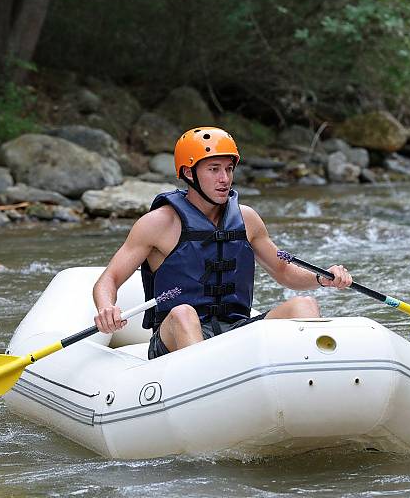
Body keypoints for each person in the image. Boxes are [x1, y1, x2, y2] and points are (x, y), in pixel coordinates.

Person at [93, 126, 352, 359]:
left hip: (236, 330)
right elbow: (109, 279)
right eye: (214, 169)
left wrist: (321, 278)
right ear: (189, 173)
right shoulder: (158, 223)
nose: (225, 179)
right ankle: (204, 389)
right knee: (184, 313)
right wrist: (107, 308)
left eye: (228, 169)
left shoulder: (246, 219)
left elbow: (283, 271)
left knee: (304, 306)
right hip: (175, 336)